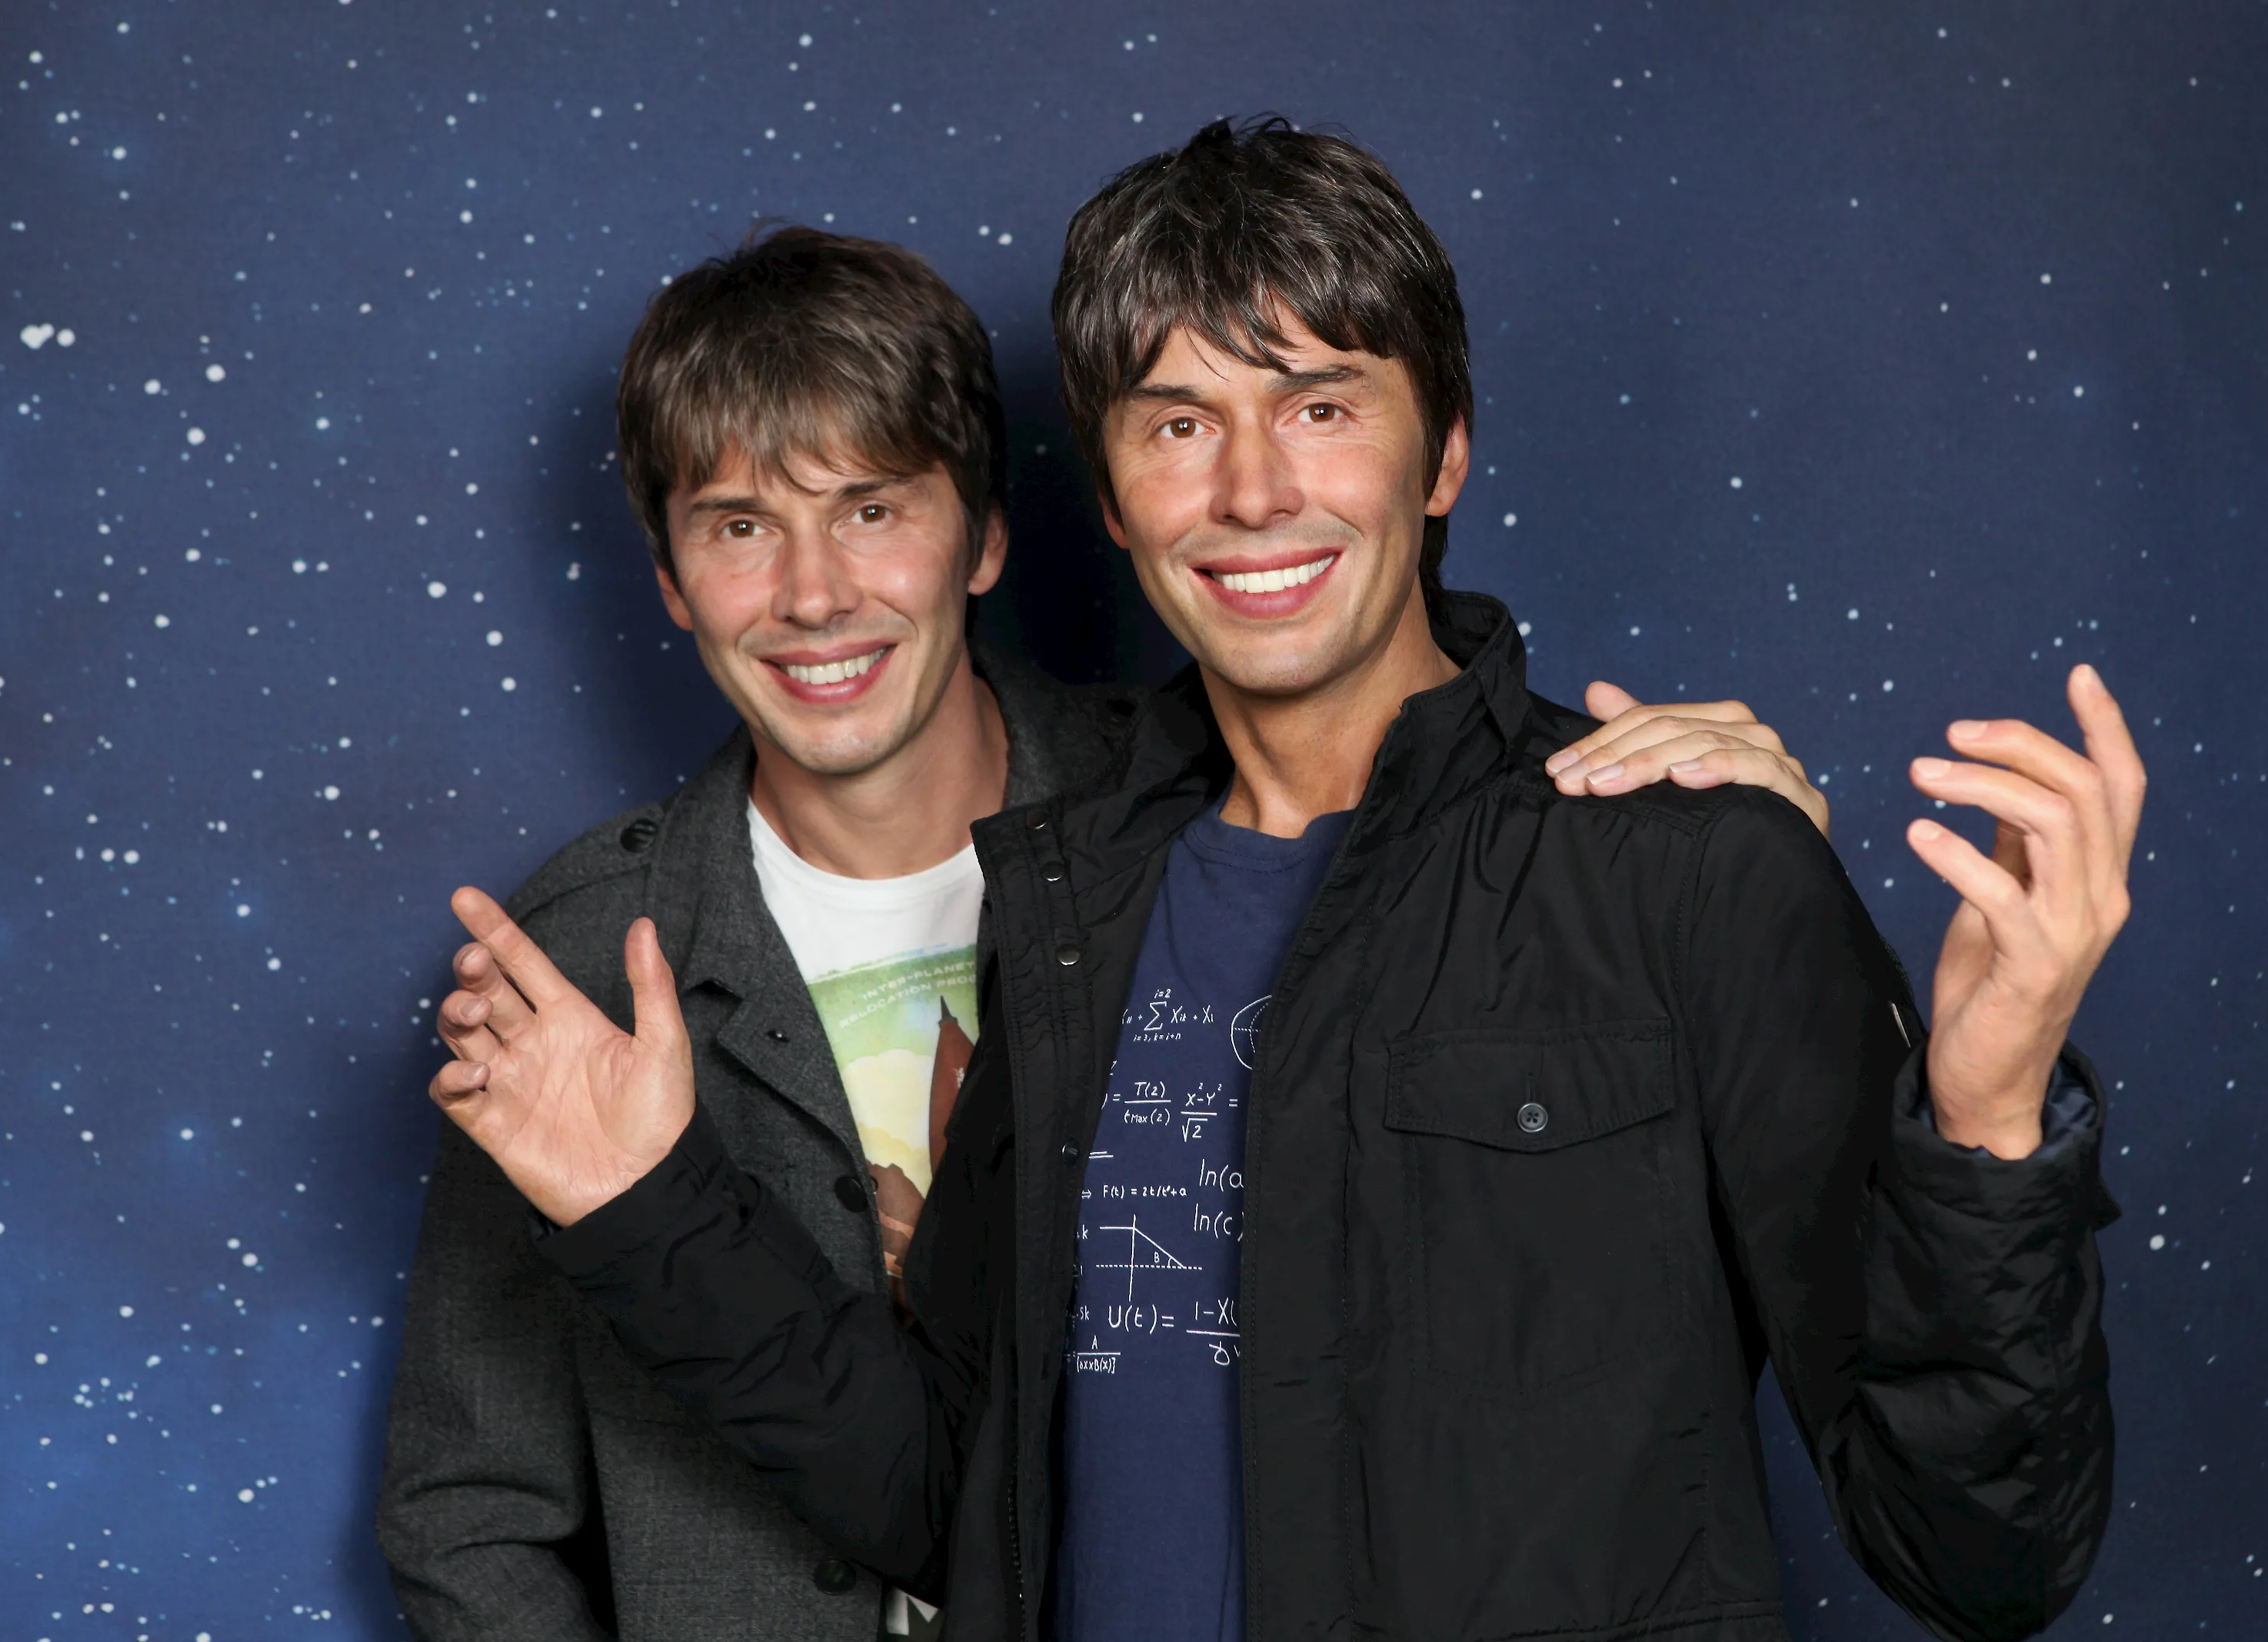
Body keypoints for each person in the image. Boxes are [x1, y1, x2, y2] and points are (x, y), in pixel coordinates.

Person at [376, 221, 1830, 1642]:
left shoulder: (1184, 833)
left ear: (988, 535)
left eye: (874, 507)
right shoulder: (576, 957)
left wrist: (1737, 844)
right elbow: (474, 1506)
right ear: (673, 581)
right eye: (742, 527)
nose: (814, 593)